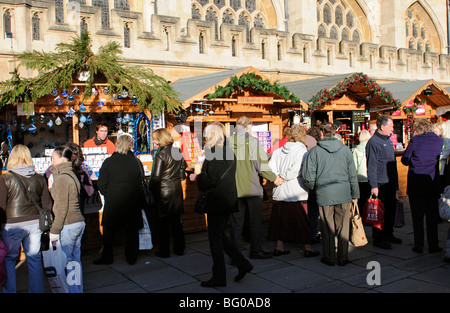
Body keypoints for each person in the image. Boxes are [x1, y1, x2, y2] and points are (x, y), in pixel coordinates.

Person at [189, 123, 253, 287]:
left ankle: (219, 277)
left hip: (218, 201)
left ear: (211, 135)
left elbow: (210, 180)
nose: (204, 137)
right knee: (220, 236)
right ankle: (242, 264)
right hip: (226, 200)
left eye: (206, 134)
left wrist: (197, 177)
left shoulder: (215, 153)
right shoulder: (228, 151)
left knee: (215, 240)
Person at [302, 122, 359, 266]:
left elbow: (308, 176)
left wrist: (315, 188)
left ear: (321, 133)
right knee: (343, 226)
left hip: (324, 193)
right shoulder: (346, 150)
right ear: (334, 133)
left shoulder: (314, 152)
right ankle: (343, 256)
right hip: (343, 193)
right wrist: (355, 194)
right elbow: (353, 175)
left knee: (327, 227)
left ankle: (330, 257)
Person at [0, 144, 52, 293]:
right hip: (35, 224)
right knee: (34, 259)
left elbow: (1, 206)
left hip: (12, 224)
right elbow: (47, 204)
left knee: (9, 260)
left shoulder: (5, 178)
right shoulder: (39, 178)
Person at [229, 116, 280, 259]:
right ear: (248, 127)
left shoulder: (227, 143)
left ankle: (235, 255)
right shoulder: (253, 142)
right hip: (252, 188)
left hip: (234, 188)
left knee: (236, 223)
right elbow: (262, 167)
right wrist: (274, 178)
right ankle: (256, 250)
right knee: (255, 222)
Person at [268, 125, 320, 258]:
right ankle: (308, 248)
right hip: (296, 191)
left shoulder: (279, 149)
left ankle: (279, 247)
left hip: (279, 191)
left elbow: (270, 166)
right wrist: (284, 177)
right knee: (302, 222)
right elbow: (297, 169)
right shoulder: (302, 151)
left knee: (279, 222)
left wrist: (276, 178)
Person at [95, 134, 145, 265]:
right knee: (132, 231)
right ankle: (131, 257)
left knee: (109, 231)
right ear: (130, 146)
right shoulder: (136, 162)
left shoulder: (109, 162)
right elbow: (141, 181)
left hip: (114, 201)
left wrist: (108, 194)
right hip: (132, 200)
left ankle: (107, 257)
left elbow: (101, 183)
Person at [401, 119, 443, 254]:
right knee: (432, 217)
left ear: (418, 128)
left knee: (417, 217)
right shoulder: (438, 140)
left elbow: (405, 159)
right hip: (431, 183)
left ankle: (418, 245)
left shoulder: (415, 140)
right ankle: (433, 245)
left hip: (416, 184)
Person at [48, 146, 85, 293]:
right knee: (75, 261)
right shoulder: (70, 175)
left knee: (68, 262)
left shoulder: (62, 178)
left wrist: (55, 231)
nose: (51, 161)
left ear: (62, 159)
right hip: (77, 222)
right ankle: (77, 289)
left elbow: (61, 207)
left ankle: (72, 290)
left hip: (68, 224)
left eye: (53, 158)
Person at [149, 128, 186, 258]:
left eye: (155, 138)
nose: (153, 141)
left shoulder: (161, 154)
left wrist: (150, 189)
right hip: (176, 190)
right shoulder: (177, 151)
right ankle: (179, 248)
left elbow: (156, 177)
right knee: (176, 222)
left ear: (160, 139)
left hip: (164, 192)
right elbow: (183, 170)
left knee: (163, 223)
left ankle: (164, 251)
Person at [366, 115, 401, 249]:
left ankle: (389, 233)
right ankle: (379, 238)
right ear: (382, 127)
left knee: (391, 211)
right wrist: (374, 185)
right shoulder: (374, 142)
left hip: (390, 183)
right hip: (380, 184)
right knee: (379, 213)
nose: (392, 129)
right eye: (391, 126)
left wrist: (396, 183)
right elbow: (372, 165)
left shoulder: (387, 140)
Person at [306, 125, 322, 243]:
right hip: (315, 184)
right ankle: (313, 233)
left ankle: (310, 233)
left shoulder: (304, 146)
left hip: (305, 184)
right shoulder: (317, 148)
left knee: (309, 211)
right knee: (315, 211)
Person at [353, 129, 372, 213]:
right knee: (370, 199)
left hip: (360, 177)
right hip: (370, 176)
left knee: (361, 199)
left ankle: (362, 217)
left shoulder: (356, 150)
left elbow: (354, 166)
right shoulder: (372, 147)